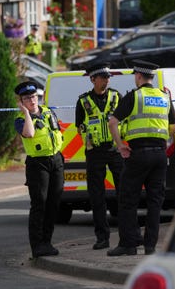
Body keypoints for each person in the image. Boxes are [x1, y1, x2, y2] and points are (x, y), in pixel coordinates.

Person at [106, 60, 175, 256]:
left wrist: (121, 145)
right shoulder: (164, 97)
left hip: (137, 154)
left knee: (128, 199)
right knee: (155, 202)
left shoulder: (134, 97)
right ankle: (150, 246)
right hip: (159, 155)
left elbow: (113, 122)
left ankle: (128, 245)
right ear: (151, 77)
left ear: (138, 76)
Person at [14, 81, 65, 258]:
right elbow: (29, 134)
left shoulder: (48, 113)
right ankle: (37, 245)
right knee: (40, 204)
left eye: (34, 96)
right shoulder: (21, 120)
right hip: (38, 164)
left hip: (56, 160)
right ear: (21, 101)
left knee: (53, 203)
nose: (32, 100)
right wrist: (26, 113)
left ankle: (47, 242)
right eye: (27, 98)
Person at [75, 63, 123, 250]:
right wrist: (86, 137)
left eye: (108, 77)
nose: (107, 80)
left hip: (114, 150)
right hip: (94, 152)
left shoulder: (116, 96)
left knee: (124, 192)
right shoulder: (82, 101)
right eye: (103, 77)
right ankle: (102, 237)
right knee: (97, 196)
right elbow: (79, 125)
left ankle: (127, 234)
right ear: (93, 79)